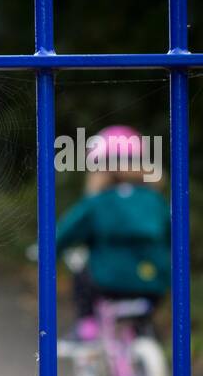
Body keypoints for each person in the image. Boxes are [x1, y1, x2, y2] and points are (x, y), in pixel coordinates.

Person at [54, 126, 170, 341]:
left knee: (81, 271)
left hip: (107, 282)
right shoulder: (156, 201)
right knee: (147, 300)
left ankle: (87, 324)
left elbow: (67, 232)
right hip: (153, 282)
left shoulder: (96, 203)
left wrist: (48, 250)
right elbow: (173, 234)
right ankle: (144, 330)